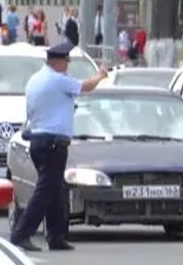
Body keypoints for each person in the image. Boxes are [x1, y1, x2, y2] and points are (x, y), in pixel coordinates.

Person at [9, 41, 109, 253]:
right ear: (58, 61)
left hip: (40, 141)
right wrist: (100, 75)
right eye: (67, 61)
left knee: (55, 190)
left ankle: (56, 236)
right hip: (52, 143)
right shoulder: (57, 80)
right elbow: (85, 87)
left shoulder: (36, 79)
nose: (68, 65)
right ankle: (21, 233)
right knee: (46, 191)